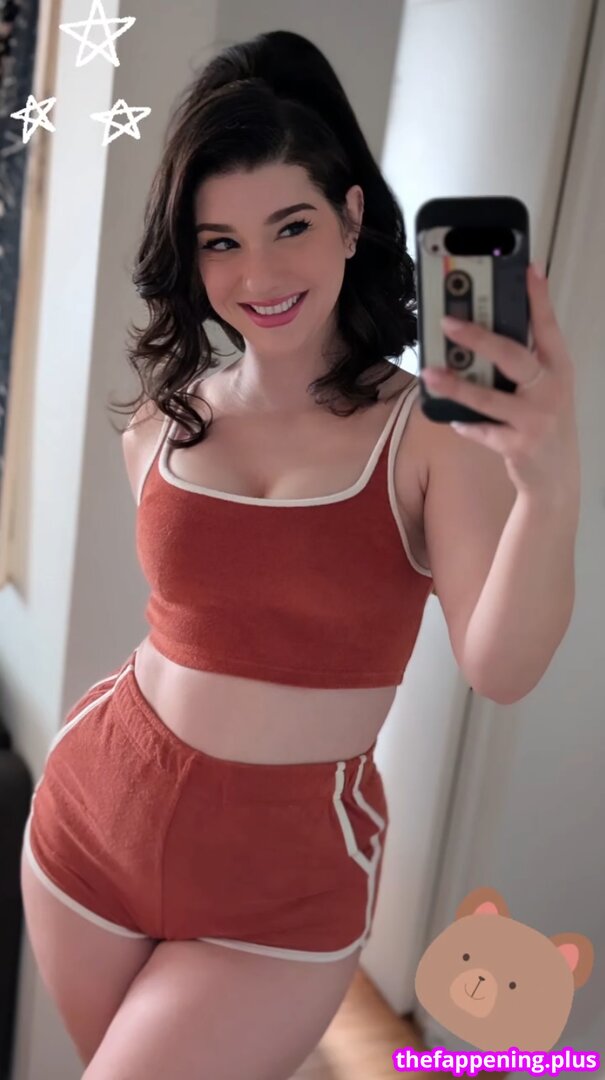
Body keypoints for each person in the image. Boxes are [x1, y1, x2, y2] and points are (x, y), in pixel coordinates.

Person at [20, 29, 435, 1080]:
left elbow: (505, 661)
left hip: (279, 891)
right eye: (219, 242)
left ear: (349, 217)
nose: (257, 273)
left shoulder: (427, 432)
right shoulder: (162, 422)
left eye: (290, 225)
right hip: (92, 823)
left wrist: (545, 466)